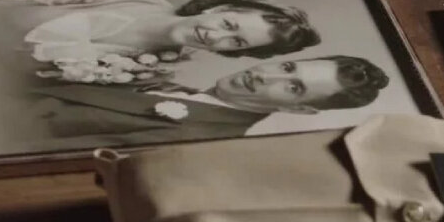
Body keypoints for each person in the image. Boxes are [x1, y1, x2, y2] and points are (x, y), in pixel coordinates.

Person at [29, 55, 389, 145]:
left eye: (293, 87)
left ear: (299, 109)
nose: (265, 75)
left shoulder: (197, 138)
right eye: (288, 66)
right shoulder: (171, 84)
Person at [23, 0, 320, 62]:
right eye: (227, 24)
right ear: (218, 8)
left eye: (236, 42)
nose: (214, 36)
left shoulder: (153, 70)